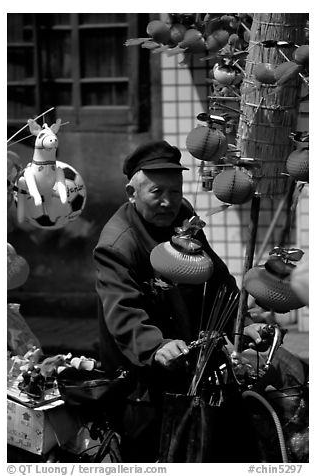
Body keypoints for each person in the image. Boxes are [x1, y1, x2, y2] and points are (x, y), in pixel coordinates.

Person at [93, 140, 307, 462]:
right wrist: (155, 346)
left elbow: (217, 279)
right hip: (142, 378)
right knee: (156, 453)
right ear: (131, 192)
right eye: (156, 193)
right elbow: (122, 311)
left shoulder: (183, 219)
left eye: (175, 192)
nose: (168, 202)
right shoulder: (118, 244)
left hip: (192, 361)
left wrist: (244, 324)